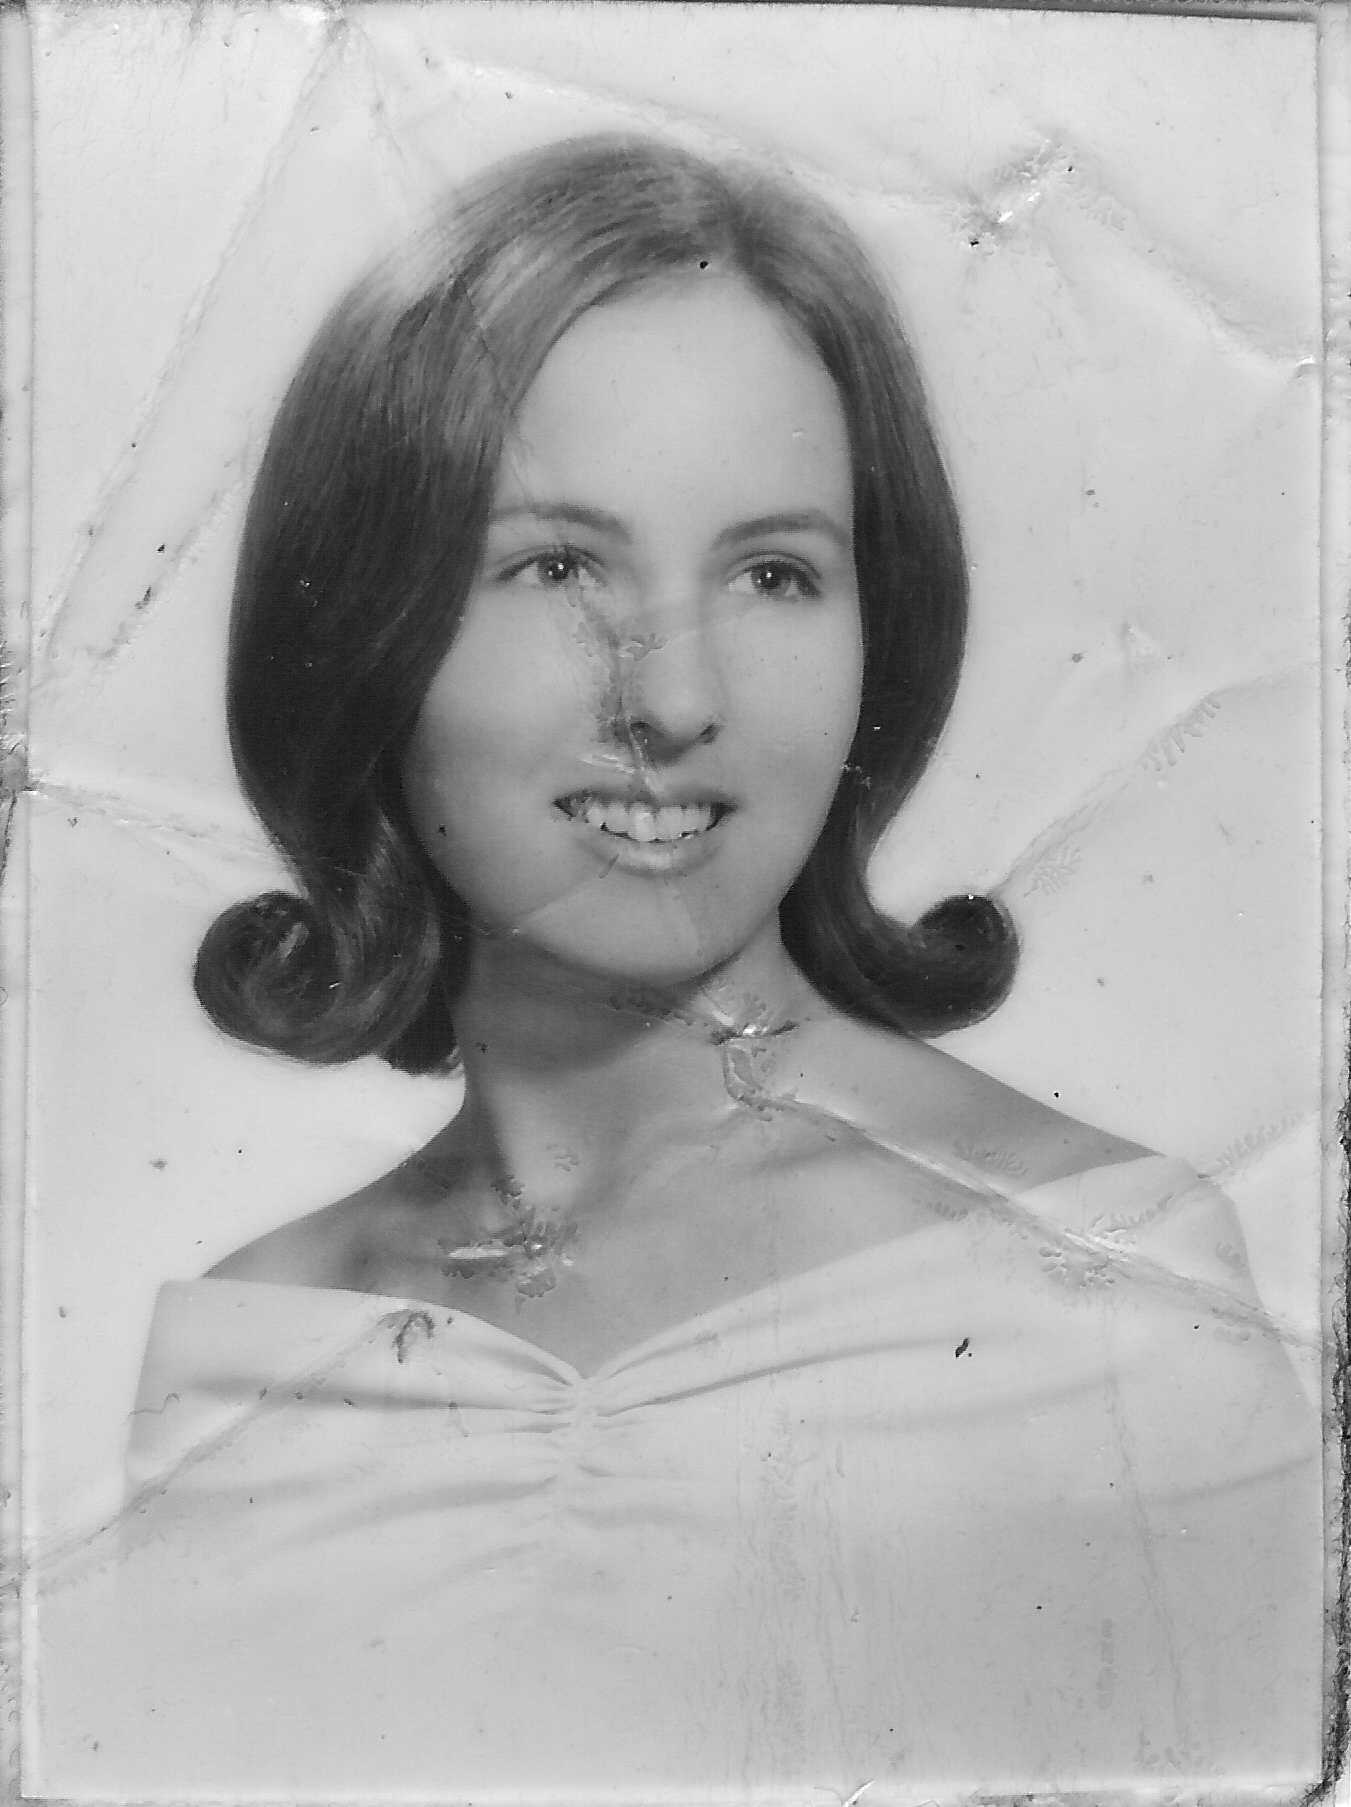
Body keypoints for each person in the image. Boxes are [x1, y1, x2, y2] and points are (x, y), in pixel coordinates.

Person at [42, 134, 1321, 1796]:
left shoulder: (1107, 1289)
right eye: (559, 567)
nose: (675, 697)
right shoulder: (253, 1351)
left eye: (776, 574)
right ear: (364, 623)